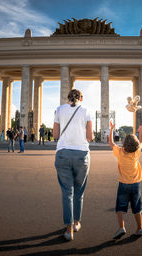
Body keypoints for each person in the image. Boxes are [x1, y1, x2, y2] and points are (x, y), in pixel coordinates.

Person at [53, 89, 93, 241]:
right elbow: (90, 137)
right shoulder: (86, 110)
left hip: (62, 154)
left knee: (67, 192)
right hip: (81, 155)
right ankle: (77, 223)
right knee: (79, 191)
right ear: (80, 98)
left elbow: (55, 135)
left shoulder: (59, 109)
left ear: (67, 98)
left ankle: (68, 230)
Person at [109, 121, 142, 239]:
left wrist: (111, 130)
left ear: (124, 144)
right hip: (136, 184)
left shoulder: (120, 152)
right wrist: (140, 131)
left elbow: (111, 143)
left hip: (123, 184)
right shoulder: (136, 152)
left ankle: (121, 227)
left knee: (120, 207)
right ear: (135, 145)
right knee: (137, 207)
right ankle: (140, 228)